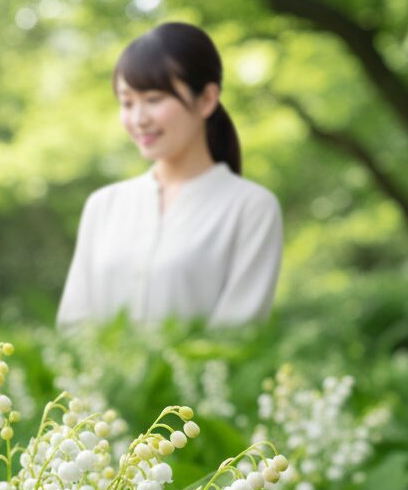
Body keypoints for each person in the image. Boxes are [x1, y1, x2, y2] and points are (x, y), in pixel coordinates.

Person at [56, 22, 283, 328]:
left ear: (206, 99)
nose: (138, 119)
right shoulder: (104, 206)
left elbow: (236, 338)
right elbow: (73, 325)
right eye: (127, 102)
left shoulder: (251, 208)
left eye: (153, 99)